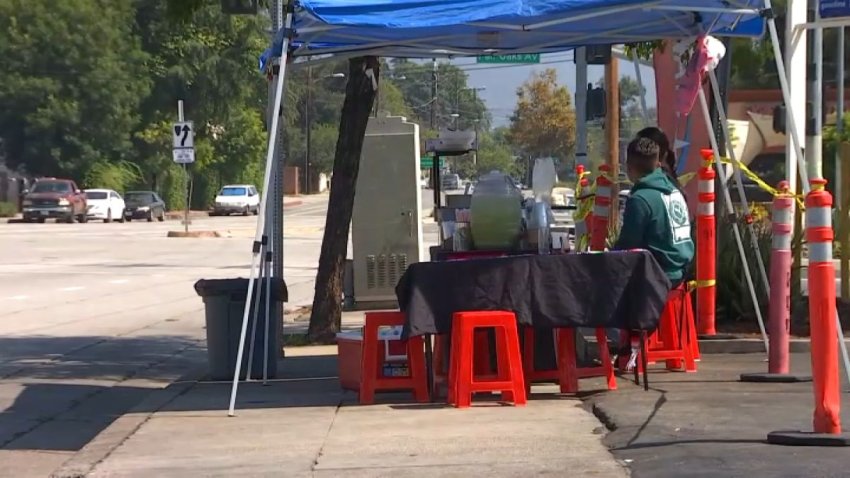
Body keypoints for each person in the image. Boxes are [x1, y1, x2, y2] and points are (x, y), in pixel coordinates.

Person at [615, 137, 694, 287]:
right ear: (658, 164)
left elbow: (627, 247)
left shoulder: (640, 199)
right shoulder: (674, 191)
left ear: (629, 167)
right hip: (681, 275)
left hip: (655, 282)